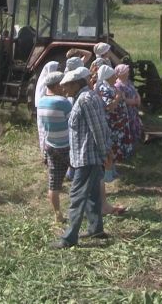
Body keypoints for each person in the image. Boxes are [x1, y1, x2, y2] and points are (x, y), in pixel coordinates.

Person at [51, 67, 112, 249]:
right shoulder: (83, 97)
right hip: (83, 156)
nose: (64, 89)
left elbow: (99, 128)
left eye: (67, 85)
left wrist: (104, 153)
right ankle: (96, 229)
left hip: (88, 157)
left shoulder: (85, 99)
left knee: (77, 196)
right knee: (92, 194)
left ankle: (69, 238)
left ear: (77, 84)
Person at [37, 71, 73, 223]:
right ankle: (80, 210)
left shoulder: (41, 102)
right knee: (79, 179)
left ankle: (58, 214)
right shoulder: (63, 103)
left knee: (54, 182)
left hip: (51, 145)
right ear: (58, 85)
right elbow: (73, 123)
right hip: (67, 146)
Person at [96, 65, 133, 166]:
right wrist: (118, 97)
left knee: (120, 139)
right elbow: (109, 107)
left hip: (119, 121)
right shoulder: (104, 88)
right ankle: (114, 160)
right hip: (113, 122)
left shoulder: (110, 86)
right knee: (115, 141)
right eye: (113, 75)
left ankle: (121, 157)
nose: (115, 77)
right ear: (108, 77)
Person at [114, 64, 143, 146]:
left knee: (135, 123)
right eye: (126, 72)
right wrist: (134, 102)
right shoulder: (118, 85)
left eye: (127, 72)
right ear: (120, 74)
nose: (128, 73)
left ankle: (137, 141)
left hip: (134, 108)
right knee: (129, 126)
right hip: (127, 110)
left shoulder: (129, 82)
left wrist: (138, 99)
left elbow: (135, 91)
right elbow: (124, 100)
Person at [35, 61, 60, 155]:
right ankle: (45, 152)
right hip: (44, 108)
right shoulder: (45, 83)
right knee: (43, 130)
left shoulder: (47, 80)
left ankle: (46, 151)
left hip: (46, 107)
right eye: (56, 68)